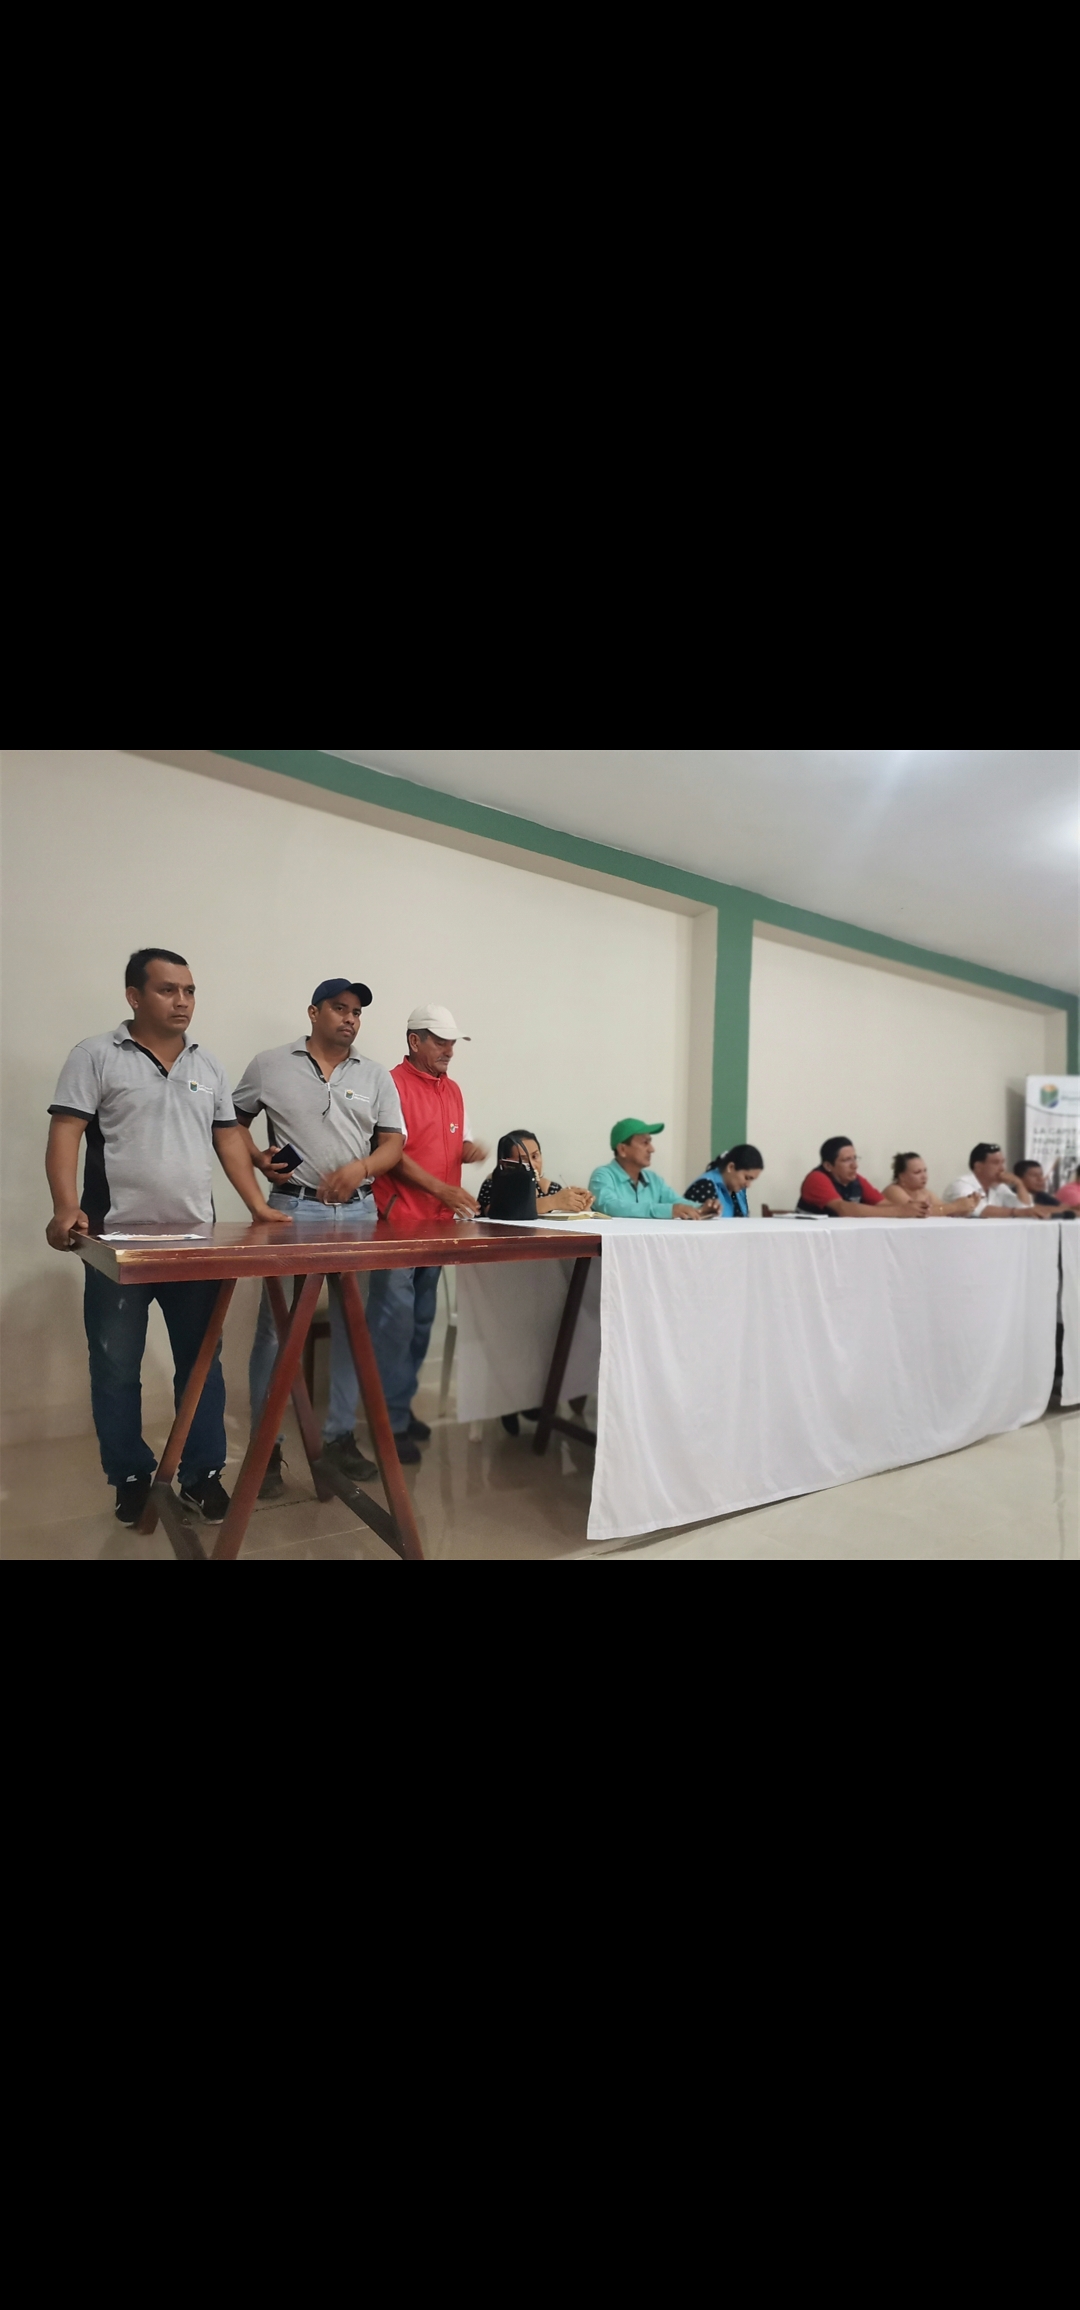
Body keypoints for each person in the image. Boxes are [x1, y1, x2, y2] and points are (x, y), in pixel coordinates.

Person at [45, 949, 290, 1527]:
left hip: (194, 1243)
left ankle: (201, 1474)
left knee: (201, 1363)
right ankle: (130, 1476)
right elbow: (66, 1132)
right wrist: (65, 1206)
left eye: (190, 990)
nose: (182, 1001)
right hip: (116, 1245)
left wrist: (258, 1206)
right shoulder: (96, 1055)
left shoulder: (209, 1065)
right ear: (134, 996)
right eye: (168, 990)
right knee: (115, 1367)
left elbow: (228, 1139)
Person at [232, 978, 406, 1498]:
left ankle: (339, 1438)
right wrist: (258, 1157)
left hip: (358, 1214)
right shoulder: (270, 1064)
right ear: (314, 1013)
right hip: (293, 1210)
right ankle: (267, 1448)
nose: (350, 1019)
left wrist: (362, 1168)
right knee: (276, 1330)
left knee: (354, 1324)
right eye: (339, 1008)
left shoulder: (374, 1074)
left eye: (357, 1012)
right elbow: (229, 1122)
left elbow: (393, 1143)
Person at [370, 1006, 489, 1463]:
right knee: (395, 1327)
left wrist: (469, 1151)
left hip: (438, 1225)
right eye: (440, 1041)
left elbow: (456, 1140)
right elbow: (392, 1154)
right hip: (398, 1225)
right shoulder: (391, 1085)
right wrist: (442, 1188)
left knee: (420, 1323)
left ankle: (399, 1410)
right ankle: (389, 1422)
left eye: (452, 1042)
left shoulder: (452, 1090)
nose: (449, 1050)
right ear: (414, 1040)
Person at [589, 1122, 716, 1219]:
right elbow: (610, 1207)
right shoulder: (602, 1175)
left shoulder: (653, 1179)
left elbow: (676, 1202)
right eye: (645, 1143)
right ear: (622, 1149)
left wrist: (701, 1208)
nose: (652, 1149)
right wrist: (667, 1210)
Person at [798, 1138, 930, 1218]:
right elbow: (844, 1209)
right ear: (828, 1166)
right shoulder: (816, 1179)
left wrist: (915, 1208)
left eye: (855, 1158)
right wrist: (900, 1211)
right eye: (846, 1160)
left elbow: (884, 1205)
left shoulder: (856, 1180)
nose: (855, 1165)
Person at [478, 1133, 594, 1218]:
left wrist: (579, 1206)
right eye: (523, 1159)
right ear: (508, 1163)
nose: (532, 1164)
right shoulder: (493, 1184)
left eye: (535, 1156)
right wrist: (553, 1201)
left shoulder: (552, 1188)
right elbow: (501, 1211)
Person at [942, 1144, 1055, 1218]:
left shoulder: (999, 1187)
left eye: (1003, 1162)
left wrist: (1019, 1183)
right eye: (996, 1163)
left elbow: (1024, 1208)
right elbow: (979, 1210)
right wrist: (1017, 1212)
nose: (1002, 1168)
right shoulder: (961, 1185)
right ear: (978, 1166)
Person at [882, 1154, 979, 1217]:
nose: (924, 1176)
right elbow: (916, 1212)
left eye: (925, 1171)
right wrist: (955, 1206)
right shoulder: (893, 1190)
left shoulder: (925, 1193)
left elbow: (945, 1211)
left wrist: (967, 1206)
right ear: (902, 1177)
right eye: (917, 1172)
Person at [684, 1145, 764, 1217]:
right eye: (746, 1178)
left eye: (751, 1180)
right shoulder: (705, 1186)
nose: (748, 1185)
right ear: (730, 1167)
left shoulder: (738, 1190)